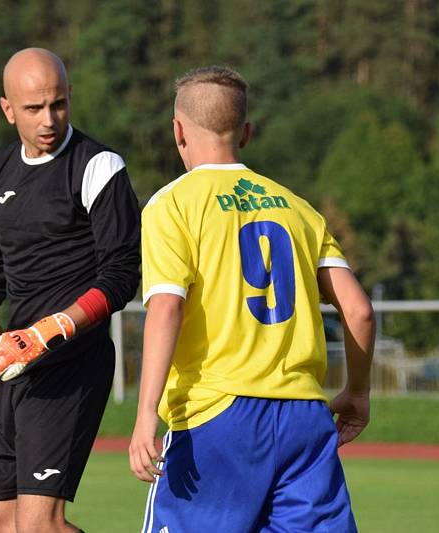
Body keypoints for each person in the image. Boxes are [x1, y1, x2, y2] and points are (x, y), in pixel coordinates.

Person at [128, 66, 375, 532]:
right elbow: (359, 311)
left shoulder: (172, 204)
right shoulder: (299, 209)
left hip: (218, 416)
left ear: (178, 131)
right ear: (246, 132)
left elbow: (166, 307)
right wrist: (357, 393)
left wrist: (144, 416)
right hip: (305, 417)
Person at [0, 48, 140, 533]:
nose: (49, 119)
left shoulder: (99, 167)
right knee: (3, 525)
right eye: (34, 109)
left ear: (69, 97)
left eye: (58, 104)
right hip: (13, 368)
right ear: (8, 109)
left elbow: (121, 276)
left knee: (39, 527)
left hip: (71, 367)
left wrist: (50, 330)